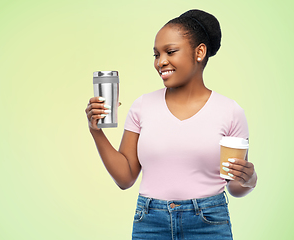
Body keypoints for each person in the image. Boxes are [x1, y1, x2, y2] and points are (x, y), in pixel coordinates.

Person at [85, 9, 257, 240]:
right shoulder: (142, 106)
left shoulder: (230, 111)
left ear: (200, 52)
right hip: (150, 222)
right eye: (156, 54)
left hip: (208, 222)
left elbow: (234, 186)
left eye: (171, 52)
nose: (160, 62)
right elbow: (125, 178)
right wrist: (96, 131)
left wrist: (249, 179)